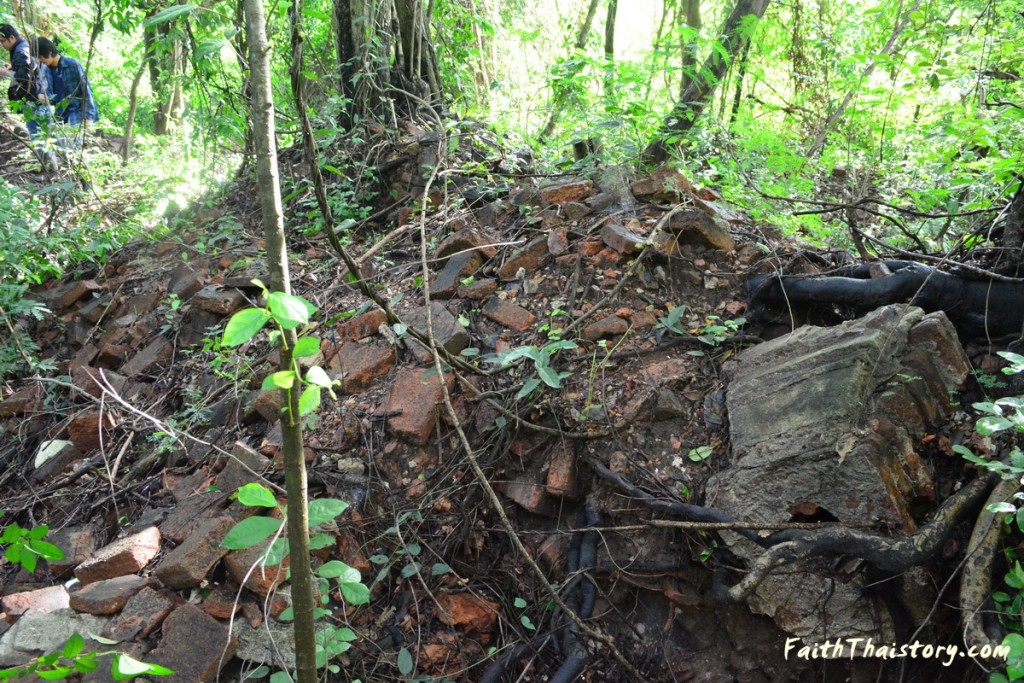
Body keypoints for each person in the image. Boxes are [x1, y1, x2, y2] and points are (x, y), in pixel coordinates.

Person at [0, 23, 57, 171]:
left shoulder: (20, 51)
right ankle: (50, 166)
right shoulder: (24, 47)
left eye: (2, 41)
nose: (2, 45)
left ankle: (49, 168)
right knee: (43, 134)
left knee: (37, 134)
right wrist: (13, 67)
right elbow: (30, 67)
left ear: (11, 38)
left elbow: (24, 78)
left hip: (34, 97)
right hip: (40, 94)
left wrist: (6, 73)